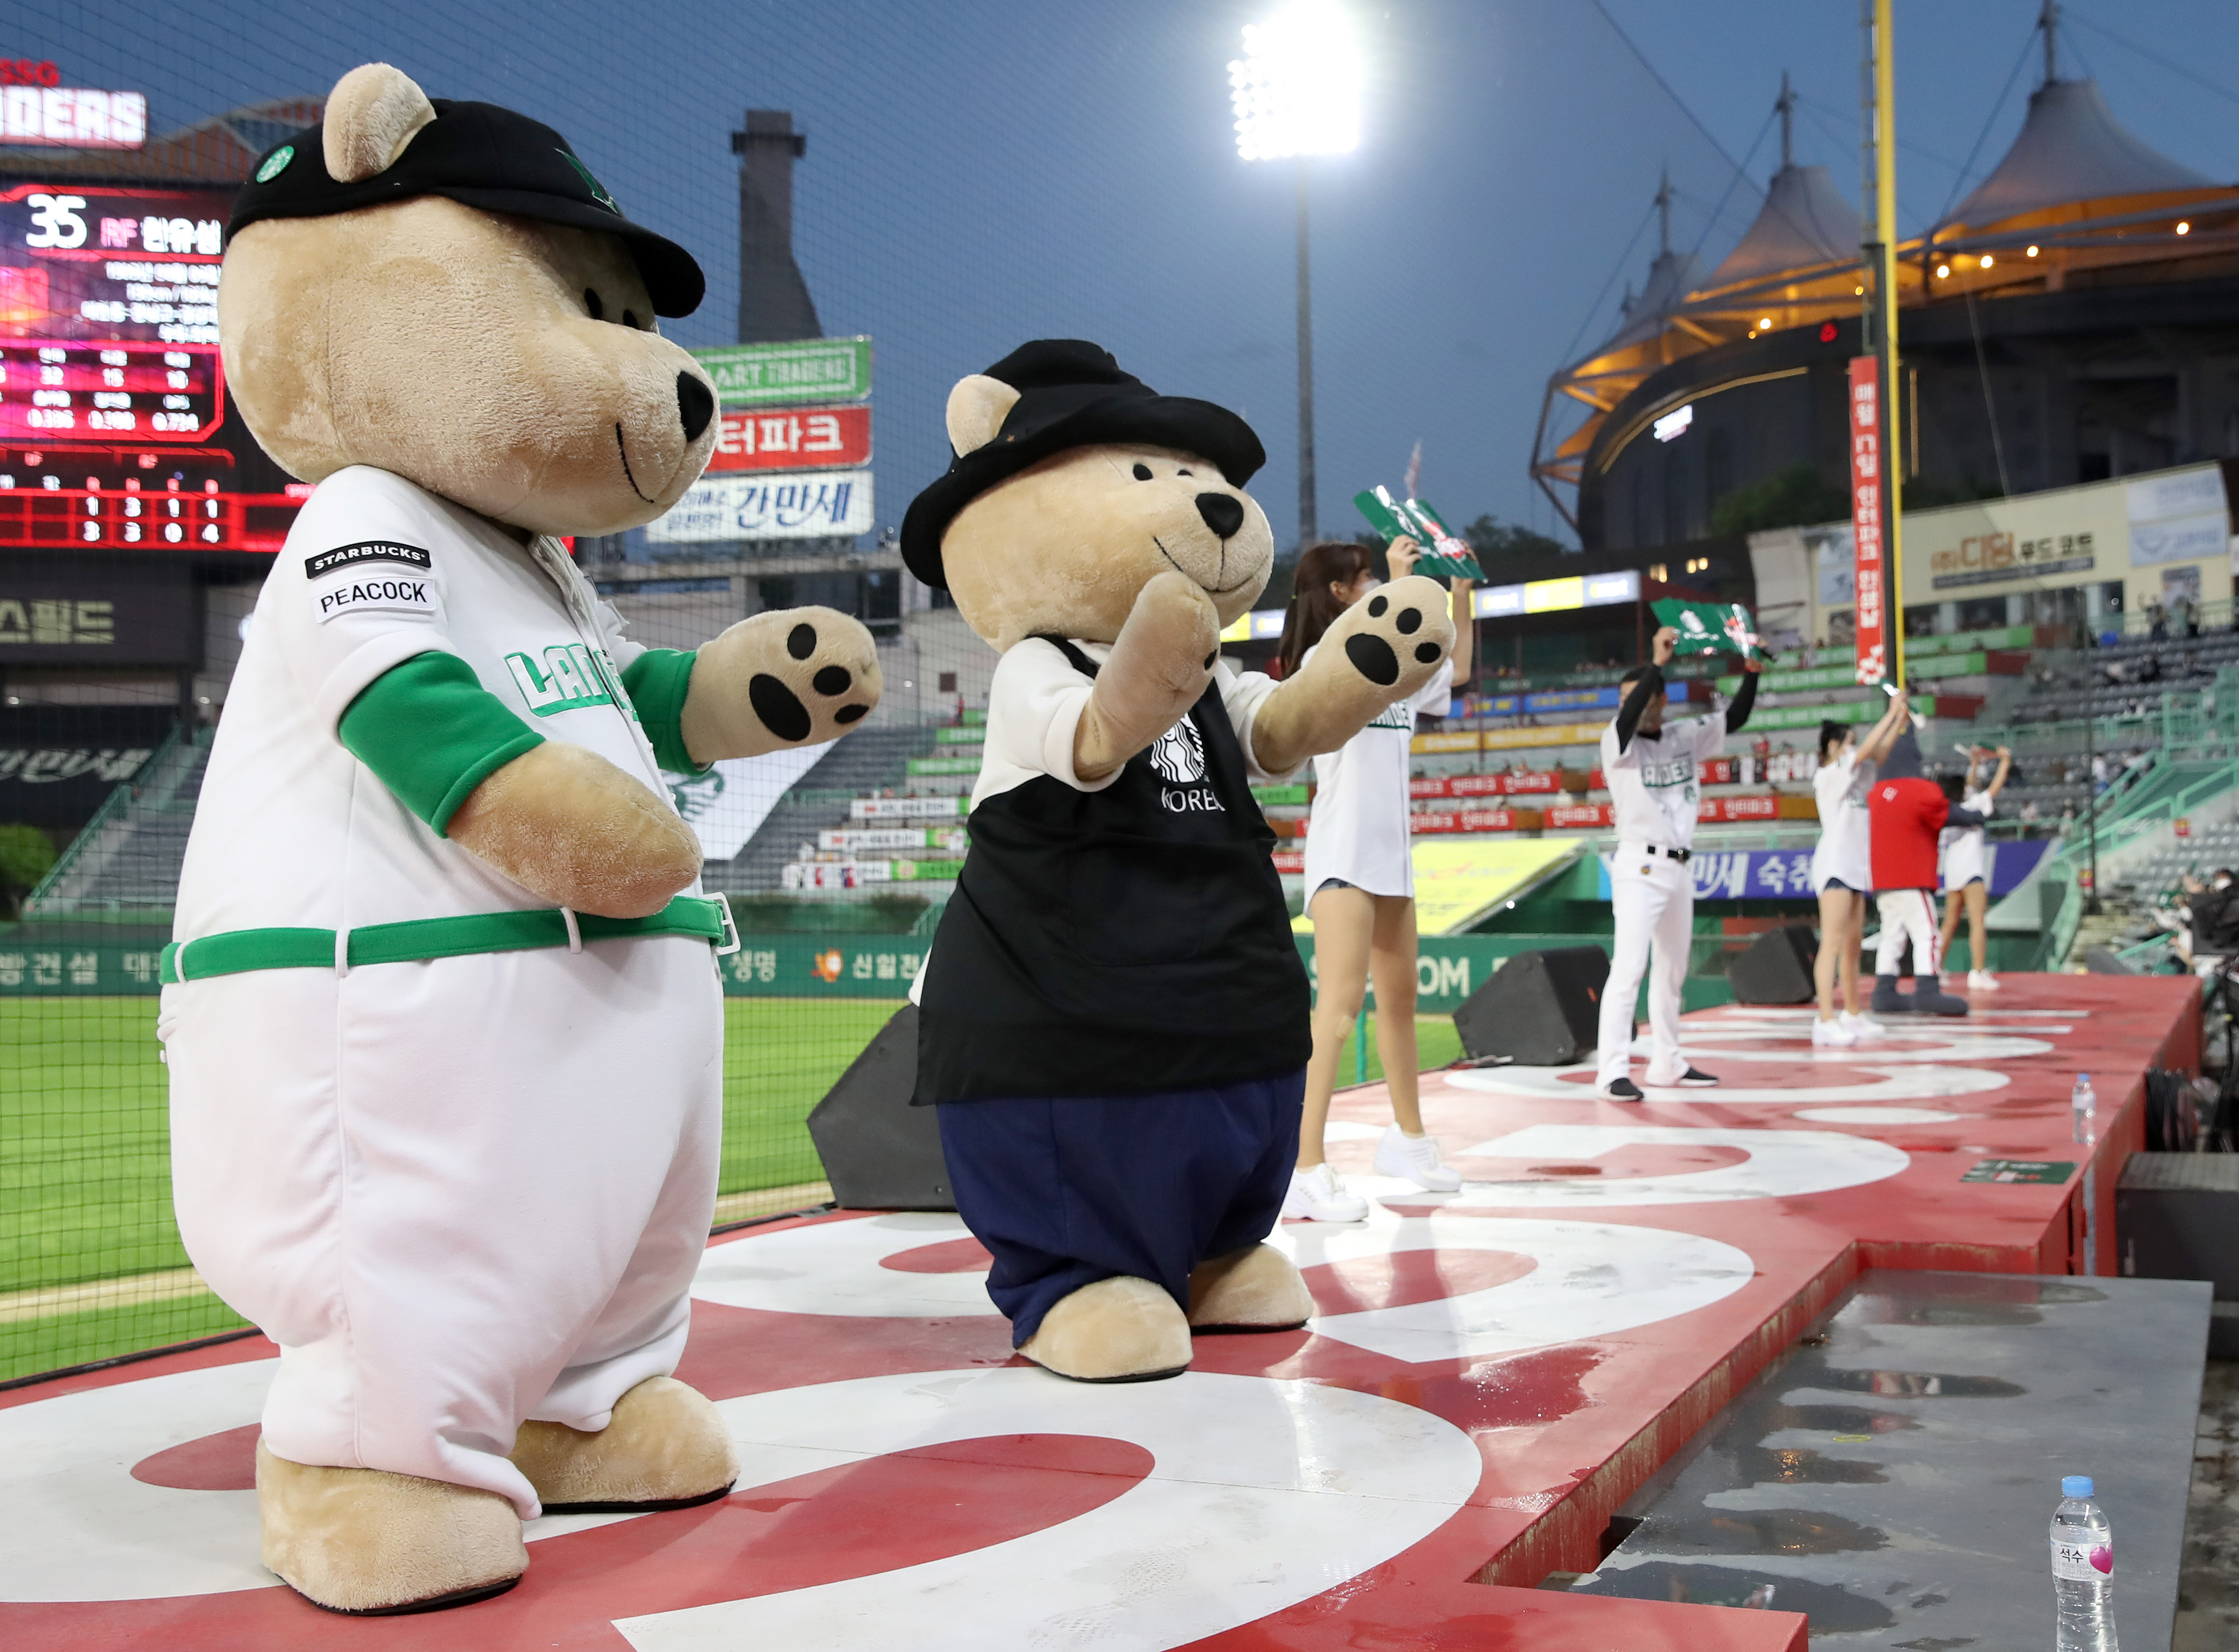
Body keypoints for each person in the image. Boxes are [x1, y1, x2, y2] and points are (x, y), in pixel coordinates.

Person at [1280, 535, 1475, 1220]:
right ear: (1340, 592)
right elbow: (1370, 653)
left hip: (1392, 859)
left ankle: (1408, 1141)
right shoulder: (1325, 659)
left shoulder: (1402, 670)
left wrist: (1459, 592)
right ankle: (1303, 1166)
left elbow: (1455, 669)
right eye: (1364, 579)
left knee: (1398, 1003)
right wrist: (1398, 586)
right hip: (1342, 857)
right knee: (1336, 1012)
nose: (1371, 586)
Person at [1594, 624, 1761, 1099]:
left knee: (1672, 971)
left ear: (1663, 700)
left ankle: (1668, 1062)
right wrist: (1657, 664)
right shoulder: (1616, 741)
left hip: (1680, 866)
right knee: (1629, 968)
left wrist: (1752, 672)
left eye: (1643, 695)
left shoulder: (1683, 735)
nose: (1633, 703)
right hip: (1638, 865)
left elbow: (1736, 717)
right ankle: (1611, 1071)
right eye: (1627, 697)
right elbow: (1629, 717)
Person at [1868, 715, 1987, 1016]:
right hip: (1913, 878)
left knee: (1891, 936)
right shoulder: (1919, 789)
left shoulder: (1877, 793)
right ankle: (1927, 990)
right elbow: (1947, 813)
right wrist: (1976, 817)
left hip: (1883, 881)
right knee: (1927, 934)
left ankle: (1884, 991)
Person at [1808, 698, 1909, 1047]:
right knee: (1832, 943)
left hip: (1856, 867)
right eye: (1848, 743)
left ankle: (1852, 1013)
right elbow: (1867, 749)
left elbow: (1877, 754)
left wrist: (1899, 722)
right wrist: (1890, 713)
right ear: (1833, 747)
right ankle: (1825, 1019)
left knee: (1853, 945)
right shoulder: (1828, 775)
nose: (1854, 748)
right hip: (1835, 866)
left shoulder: (1858, 775)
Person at [1937, 745, 2012, 990]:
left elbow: (1968, 786)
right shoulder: (1975, 805)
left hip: (1953, 872)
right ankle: (1978, 972)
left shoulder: (1945, 812)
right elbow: (1995, 789)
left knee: (1950, 922)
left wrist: (1975, 764)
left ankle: (1935, 969)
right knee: (1978, 921)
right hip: (1972, 872)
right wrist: (2005, 761)